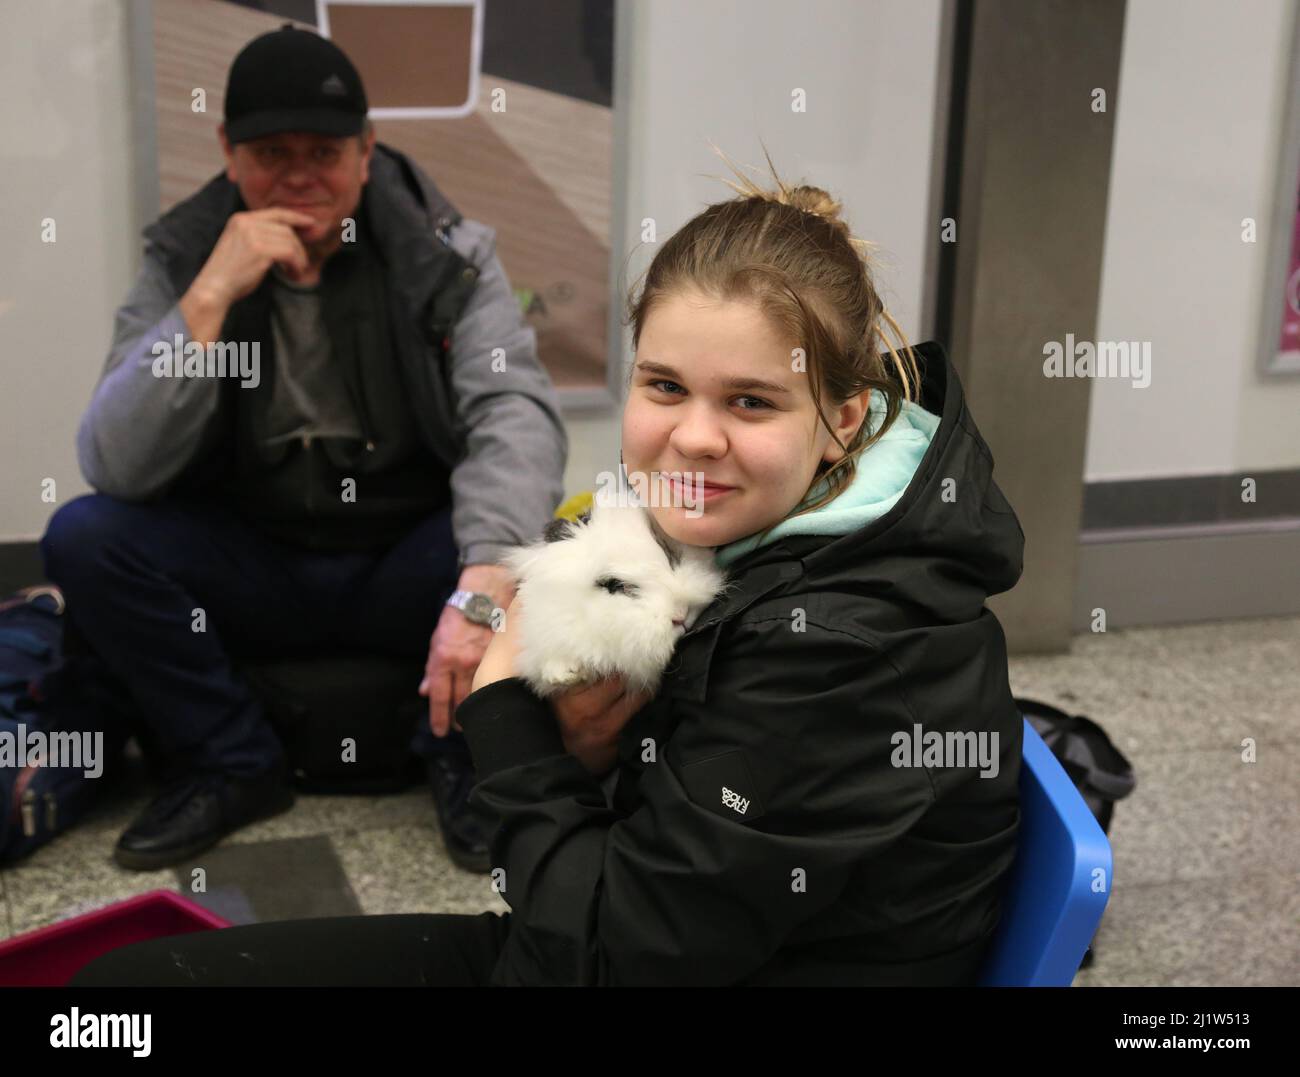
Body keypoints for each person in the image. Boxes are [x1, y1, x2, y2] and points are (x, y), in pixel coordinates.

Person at [71, 147, 1024, 987]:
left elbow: (612, 956)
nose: (693, 437)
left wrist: (505, 713)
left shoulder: (849, 645)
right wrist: (596, 752)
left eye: (751, 402)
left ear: (843, 421)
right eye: (664, 387)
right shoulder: (784, 538)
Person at [39, 26, 567, 874]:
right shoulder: (182, 257)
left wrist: (480, 584)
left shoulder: (447, 256)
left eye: (323, 150)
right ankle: (231, 762)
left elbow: (515, 414)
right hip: (252, 555)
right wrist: (211, 294)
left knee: (537, 544)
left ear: (366, 152)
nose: (297, 173)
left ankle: (461, 759)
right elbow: (117, 462)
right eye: (269, 150)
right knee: (86, 535)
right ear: (227, 153)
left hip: (405, 555)